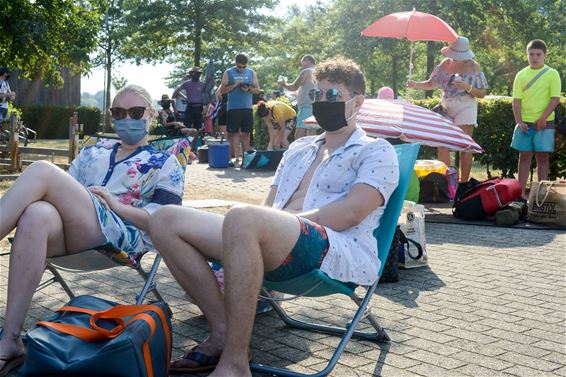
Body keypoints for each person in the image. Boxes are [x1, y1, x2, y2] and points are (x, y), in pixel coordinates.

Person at [149, 57, 399, 376]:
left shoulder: (376, 151)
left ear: (357, 102)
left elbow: (353, 211)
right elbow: (268, 206)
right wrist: (260, 229)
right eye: (317, 95)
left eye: (332, 96)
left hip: (333, 249)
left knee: (243, 217)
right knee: (166, 220)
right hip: (273, 240)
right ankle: (222, 331)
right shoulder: (298, 148)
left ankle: (236, 362)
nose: (322, 102)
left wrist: (285, 224)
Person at [0, 85, 185, 376]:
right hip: (74, 229)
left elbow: (162, 221)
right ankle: (10, 340)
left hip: (121, 235)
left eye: (136, 112)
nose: (128, 118)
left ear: (151, 115)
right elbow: (57, 193)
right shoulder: (92, 153)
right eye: (119, 113)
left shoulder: (165, 161)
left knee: (41, 170)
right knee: (36, 213)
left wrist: (114, 204)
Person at [407, 36, 488, 182]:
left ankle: (463, 183)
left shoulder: (473, 66)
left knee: (465, 145)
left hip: (466, 104)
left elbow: (482, 93)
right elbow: (432, 84)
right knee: (443, 144)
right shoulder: (445, 64)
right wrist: (415, 85)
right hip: (447, 104)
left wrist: (467, 87)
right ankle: (446, 182)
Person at [511, 39, 561, 200]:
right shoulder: (521, 74)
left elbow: (555, 99)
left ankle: (541, 194)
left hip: (545, 123)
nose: (534, 57)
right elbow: (516, 101)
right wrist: (519, 121)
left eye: (538, 54)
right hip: (525, 123)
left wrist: (543, 118)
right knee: (524, 156)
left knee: (543, 157)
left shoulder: (552, 74)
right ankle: (520, 194)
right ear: (527, 54)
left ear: (545, 55)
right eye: (531, 54)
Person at [218, 53, 261, 167]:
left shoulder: (251, 72)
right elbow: (222, 90)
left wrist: (248, 89)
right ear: (235, 63)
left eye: (243, 67)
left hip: (247, 108)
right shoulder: (229, 72)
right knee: (232, 134)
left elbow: (257, 90)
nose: (241, 69)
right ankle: (229, 159)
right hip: (233, 108)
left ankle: (245, 161)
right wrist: (234, 86)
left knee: (246, 135)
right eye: (239, 67)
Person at [279, 55, 316, 140]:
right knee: (311, 134)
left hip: (306, 107)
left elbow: (294, 87)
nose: (301, 65)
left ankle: (298, 153)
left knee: (299, 135)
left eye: (302, 62)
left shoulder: (306, 71)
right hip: (315, 107)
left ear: (307, 60)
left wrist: (284, 84)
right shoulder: (318, 72)